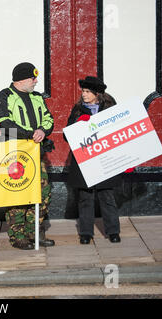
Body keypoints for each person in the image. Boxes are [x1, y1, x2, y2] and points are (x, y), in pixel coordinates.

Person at [0, 62, 55, 250]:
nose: (36, 82)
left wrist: (43, 130)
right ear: (21, 79)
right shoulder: (4, 96)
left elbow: (49, 118)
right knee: (17, 194)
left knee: (43, 194)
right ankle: (18, 236)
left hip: (37, 153)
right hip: (14, 155)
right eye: (33, 78)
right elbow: (3, 122)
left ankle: (34, 233)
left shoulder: (37, 98)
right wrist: (31, 133)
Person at [65, 76, 122, 244]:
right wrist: (77, 124)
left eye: (88, 91)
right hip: (85, 161)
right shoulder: (77, 110)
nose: (84, 94)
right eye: (83, 91)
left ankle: (113, 231)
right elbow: (66, 135)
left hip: (105, 159)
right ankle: (86, 233)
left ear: (97, 94)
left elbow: (119, 133)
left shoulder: (110, 109)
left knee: (107, 197)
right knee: (85, 198)